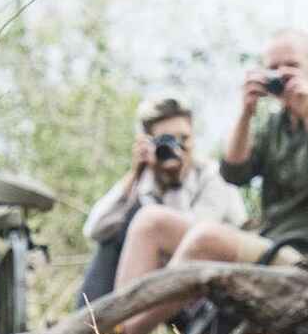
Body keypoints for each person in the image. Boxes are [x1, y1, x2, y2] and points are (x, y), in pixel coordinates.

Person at [115, 29, 308, 334]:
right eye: (273, 68)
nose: (282, 75)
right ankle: (113, 325)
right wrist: (246, 113)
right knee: (150, 220)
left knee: (206, 238)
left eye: (291, 65)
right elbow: (234, 172)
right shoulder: (274, 126)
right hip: (265, 244)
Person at [76, 94, 248, 309]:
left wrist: (174, 181)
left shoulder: (214, 177)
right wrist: (134, 175)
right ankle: (93, 333)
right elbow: (94, 229)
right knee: (114, 234)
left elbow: (195, 243)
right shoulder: (146, 180)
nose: (177, 148)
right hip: (164, 284)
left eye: (184, 139)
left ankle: (122, 325)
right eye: (166, 141)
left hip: (213, 286)